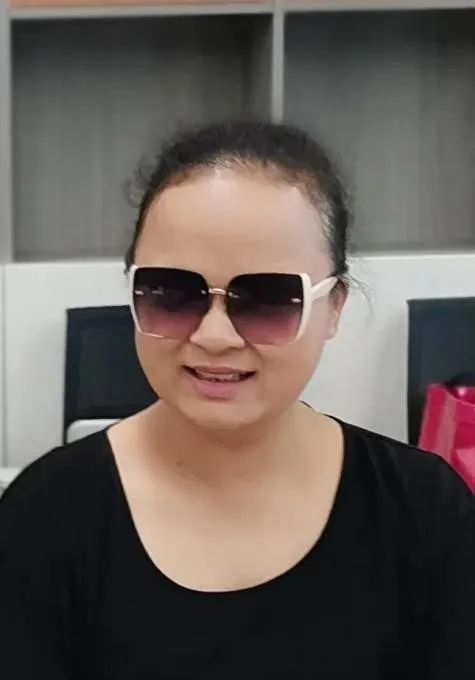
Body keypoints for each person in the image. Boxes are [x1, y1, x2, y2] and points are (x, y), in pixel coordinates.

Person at [0, 121, 473, 680]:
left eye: (268, 299)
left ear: (335, 307)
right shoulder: (44, 517)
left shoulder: (424, 510)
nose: (215, 336)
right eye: (172, 293)